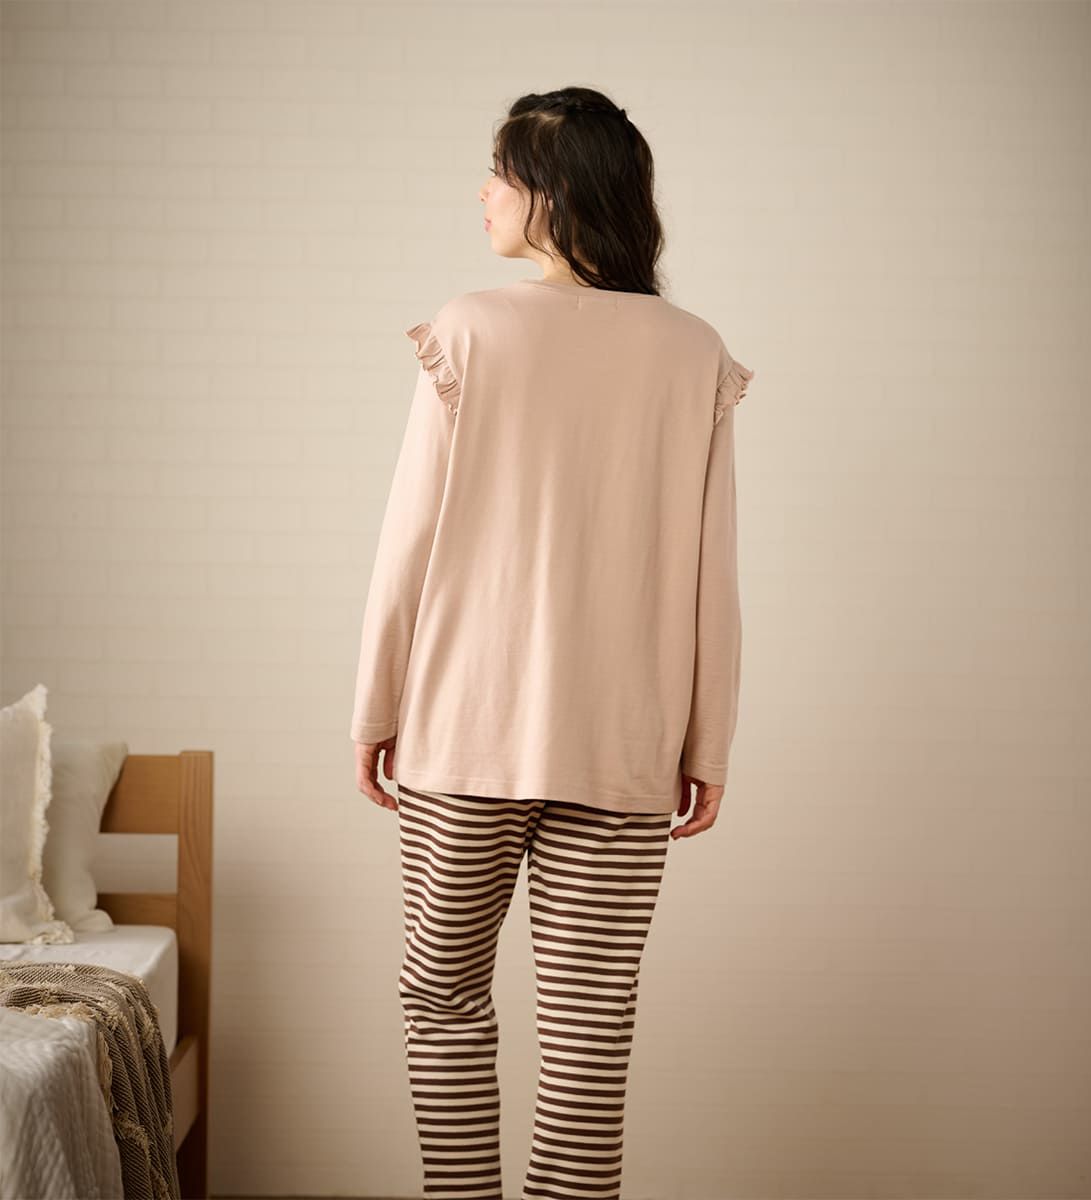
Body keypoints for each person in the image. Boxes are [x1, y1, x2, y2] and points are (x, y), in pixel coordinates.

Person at [349, 85, 753, 1200]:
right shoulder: (694, 351)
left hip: (460, 732)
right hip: (624, 745)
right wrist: (708, 740)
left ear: (556, 192)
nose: (482, 193)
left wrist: (374, 708)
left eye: (502, 172)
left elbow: (409, 542)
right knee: (590, 1027)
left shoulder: (470, 329)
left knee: (442, 998)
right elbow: (713, 570)